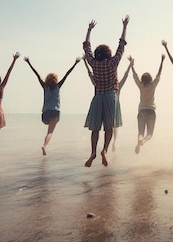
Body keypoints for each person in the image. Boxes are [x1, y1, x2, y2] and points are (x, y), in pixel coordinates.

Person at [82, 16, 129, 167]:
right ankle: (105, 151)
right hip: (111, 96)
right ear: (108, 54)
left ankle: (93, 152)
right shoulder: (112, 63)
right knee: (109, 127)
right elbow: (121, 46)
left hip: (98, 97)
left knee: (95, 128)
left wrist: (89, 30)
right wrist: (124, 27)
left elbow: (86, 48)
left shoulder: (94, 64)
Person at [24, 56, 81, 155]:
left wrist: (29, 62)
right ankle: (44, 146)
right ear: (55, 79)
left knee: (48, 125)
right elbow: (67, 74)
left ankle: (44, 144)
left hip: (45, 114)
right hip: (55, 112)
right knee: (50, 132)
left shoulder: (45, 86)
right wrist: (75, 63)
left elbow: (37, 75)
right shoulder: (58, 86)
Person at [131, 54, 165, 154]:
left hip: (141, 111)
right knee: (149, 134)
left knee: (140, 132)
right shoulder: (153, 85)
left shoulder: (141, 85)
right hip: (151, 111)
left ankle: (140, 140)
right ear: (150, 79)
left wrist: (132, 65)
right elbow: (159, 74)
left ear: (142, 79)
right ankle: (143, 141)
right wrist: (162, 61)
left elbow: (135, 76)